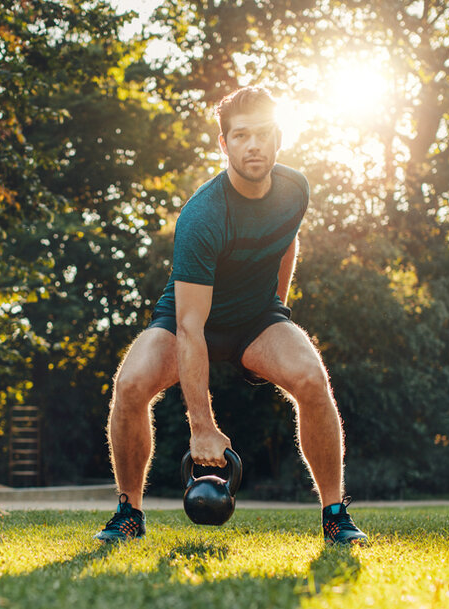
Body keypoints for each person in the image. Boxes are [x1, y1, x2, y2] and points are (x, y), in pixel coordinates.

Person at [93, 86, 367, 546]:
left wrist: (277, 311)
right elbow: (190, 326)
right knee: (130, 385)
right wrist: (202, 427)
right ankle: (128, 513)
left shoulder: (294, 188)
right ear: (224, 144)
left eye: (262, 134)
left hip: (255, 319)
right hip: (189, 320)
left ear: (279, 138)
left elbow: (285, 240)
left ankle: (335, 515)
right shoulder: (202, 217)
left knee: (312, 379)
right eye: (241, 136)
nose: (253, 145)